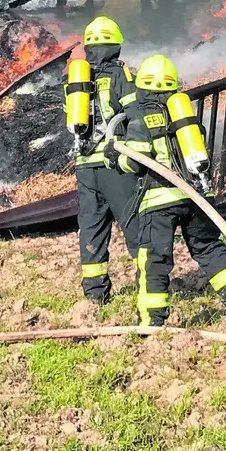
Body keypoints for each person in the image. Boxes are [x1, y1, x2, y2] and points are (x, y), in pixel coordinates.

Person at [113, 53, 226, 327]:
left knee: (155, 259)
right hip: (196, 198)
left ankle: (153, 320)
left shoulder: (139, 119)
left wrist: (113, 155)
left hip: (159, 201)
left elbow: (135, 163)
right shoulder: (184, 115)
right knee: (209, 247)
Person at [68, 16, 141, 305]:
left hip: (84, 168)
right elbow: (134, 113)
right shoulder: (120, 76)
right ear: (115, 46)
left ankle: (95, 295)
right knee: (134, 221)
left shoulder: (77, 81)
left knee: (92, 227)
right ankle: (150, 281)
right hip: (115, 163)